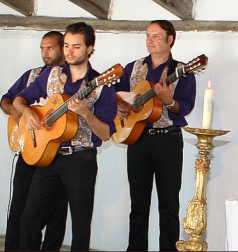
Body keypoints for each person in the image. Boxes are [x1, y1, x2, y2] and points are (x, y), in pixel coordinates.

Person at [14, 22, 117, 251]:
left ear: (90, 48)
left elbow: (106, 133)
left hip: (80, 160)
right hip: (48, 157)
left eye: (77, 46)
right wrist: (29, 112)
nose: (69, 51)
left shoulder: (102, 85)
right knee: (29, 219)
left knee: (80, 226)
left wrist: (86, 113)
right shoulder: (51, 75)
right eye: (67, 46)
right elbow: (18, 99)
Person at [115, 20, 196, 251]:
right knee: (138, 204)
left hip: (168, 140)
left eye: (156, 36)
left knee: (169, 204)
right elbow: (116, 95)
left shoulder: (182, 70)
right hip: (137, 139)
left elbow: (186, 106)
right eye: (148, 36)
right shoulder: (133, 67)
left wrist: (169, 100)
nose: (150, 40)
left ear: (171, 40)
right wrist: (119, 106)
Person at [0, 31, 68, 251]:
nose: (45, 53)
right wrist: (20, 114)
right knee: (19, 204)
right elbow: (6, 100)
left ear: (63, 48)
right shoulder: (32, 75)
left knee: (56, 211)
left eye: (50, 48)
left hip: (57, 153)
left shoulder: (71, 78)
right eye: (42, 48)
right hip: (29, 148)